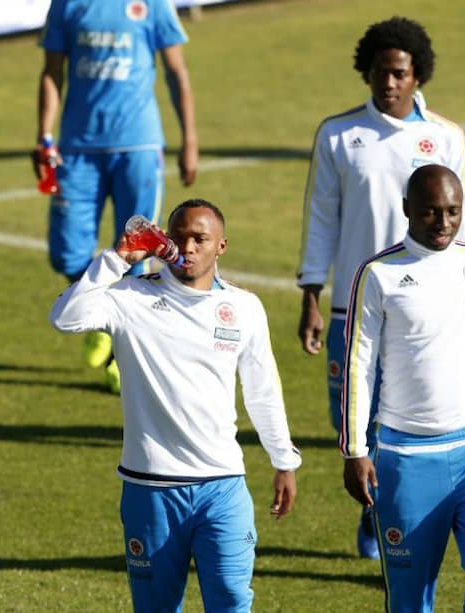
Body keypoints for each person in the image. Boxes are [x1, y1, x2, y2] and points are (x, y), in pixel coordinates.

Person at [50, 200, 301, 612]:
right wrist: (117, 259)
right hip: (150, 489)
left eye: (200, 238)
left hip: (222, 487)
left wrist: (283, 460)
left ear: (221, 246)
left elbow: (263, 389)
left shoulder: (244, 308)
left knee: (233, 602)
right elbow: (64, 316)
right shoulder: (131, 297)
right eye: (179, 236)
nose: (188, 246)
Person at [296, 15, 465, 559]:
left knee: (400, 418)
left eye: (399, 73)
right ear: (367, 72)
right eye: (380, 72)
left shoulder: (445, 138)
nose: (389, 83)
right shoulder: (337, 135)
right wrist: (310, 294)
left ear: (418, 75)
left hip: (422, 308)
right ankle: (377, 510)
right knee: (350, 423)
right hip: (354, 308)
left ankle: (391, 527)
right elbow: (321, 216)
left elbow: (463, 229)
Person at [341, 164, 465, 611]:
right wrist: (355, 450)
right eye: (431, 212)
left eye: (453, 212)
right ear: (407, 210)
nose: (443, 223)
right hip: (406, 458)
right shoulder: (379, 274)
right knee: (410, 596)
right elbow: (358, 364)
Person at [34, 0, 199, 393]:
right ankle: (101, 315)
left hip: (139, 146)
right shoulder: (67, 5)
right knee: (66, 253)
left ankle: (121, 356)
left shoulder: (152, 5)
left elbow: (176, 69)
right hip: (77, 149)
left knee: (138, 254)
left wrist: (189, 140)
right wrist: (44, 136)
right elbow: (52, 71)